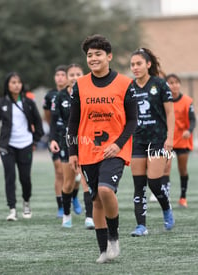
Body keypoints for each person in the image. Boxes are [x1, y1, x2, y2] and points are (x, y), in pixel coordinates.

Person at [67, 34, 137, 263]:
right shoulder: (79, 85)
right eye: (90, 55)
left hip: (115, 149)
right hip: (87, 150)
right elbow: (73, 122)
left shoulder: (125, 84)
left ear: (109, 56)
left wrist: (118, 144)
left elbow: (132, 121)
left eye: (98, 54)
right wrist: (73, 152)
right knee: (95, 199)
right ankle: (103, 250)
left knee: (106, 190)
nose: (93, 58)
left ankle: (114, 238)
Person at [129, 48, 175, 237]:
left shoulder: (160, 84)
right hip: (138, 141)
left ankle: (166, 208)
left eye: (139, 63)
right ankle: (141, 226)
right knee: (139, 184)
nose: (135, 68)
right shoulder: (129, 87)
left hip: (158, 141)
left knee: (154, 183)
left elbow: (170, 113)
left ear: (148, 64)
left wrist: (170, 138)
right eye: (132, 65)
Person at [0, 72, 44, 221]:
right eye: (13, 82)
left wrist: (34, 141)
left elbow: (39, 124)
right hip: (7, 147)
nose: (16, 85)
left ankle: (26, 202)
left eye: (18, 82)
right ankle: (12, 209)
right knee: (10, 177)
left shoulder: (29, 103)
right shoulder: (1, 104)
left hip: (26, 145)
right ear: (7, 85)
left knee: (25, 178)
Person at [49, 63, 95, 229]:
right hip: (67, 142)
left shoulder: (89, 93)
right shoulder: (60, 97)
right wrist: (52, 139)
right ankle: (66, 214)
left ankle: (90, 217)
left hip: (86, 142)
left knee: (86, 181)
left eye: (78, 74)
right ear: (67, 77)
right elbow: (54, 121)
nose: (75, 77)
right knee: (68, 183)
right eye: (72, 74)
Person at [43, 65, 82, 218]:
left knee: (77, 175)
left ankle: (74, 197)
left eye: (62, 75)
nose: (60, 78)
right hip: (60, 138)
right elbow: (49, 118)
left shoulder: (84, 92)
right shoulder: (53, 96)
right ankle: (62, 206)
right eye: (58, 75)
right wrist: (52, 137)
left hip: (81, 139)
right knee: (60, 172)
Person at [162, 74, 196, 208]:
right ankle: (166, 196)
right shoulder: (163, 101)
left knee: (182, 169)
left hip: (182, 140)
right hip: (168, 139)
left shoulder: (187, 101)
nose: (174, 85)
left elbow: (192, 119)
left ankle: (183, 196)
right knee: (166, 167)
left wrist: (190, 130)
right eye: (170, 83)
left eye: (176, 82)